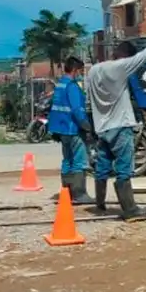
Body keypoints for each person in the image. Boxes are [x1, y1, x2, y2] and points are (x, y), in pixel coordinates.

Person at [86, 33, 146, 221]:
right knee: (124, 169)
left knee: (102, 166)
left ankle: (99, 205)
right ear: (125, 57)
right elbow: (140, 58)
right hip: (120, 126)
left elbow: (89, 101)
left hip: (102, 127)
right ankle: (130, 210)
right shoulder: (120, 68)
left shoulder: (93, 70)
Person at [47, 56, 96, 205]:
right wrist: (87, 127)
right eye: (81, 71)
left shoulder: (60, 84)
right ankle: (79, 194)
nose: (81, 74)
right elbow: (77, 110)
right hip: (72, 128)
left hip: (61, 129)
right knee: (79, 161)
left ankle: (66, 191)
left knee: (67, 160)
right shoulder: (72, 86)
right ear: (75, 70)